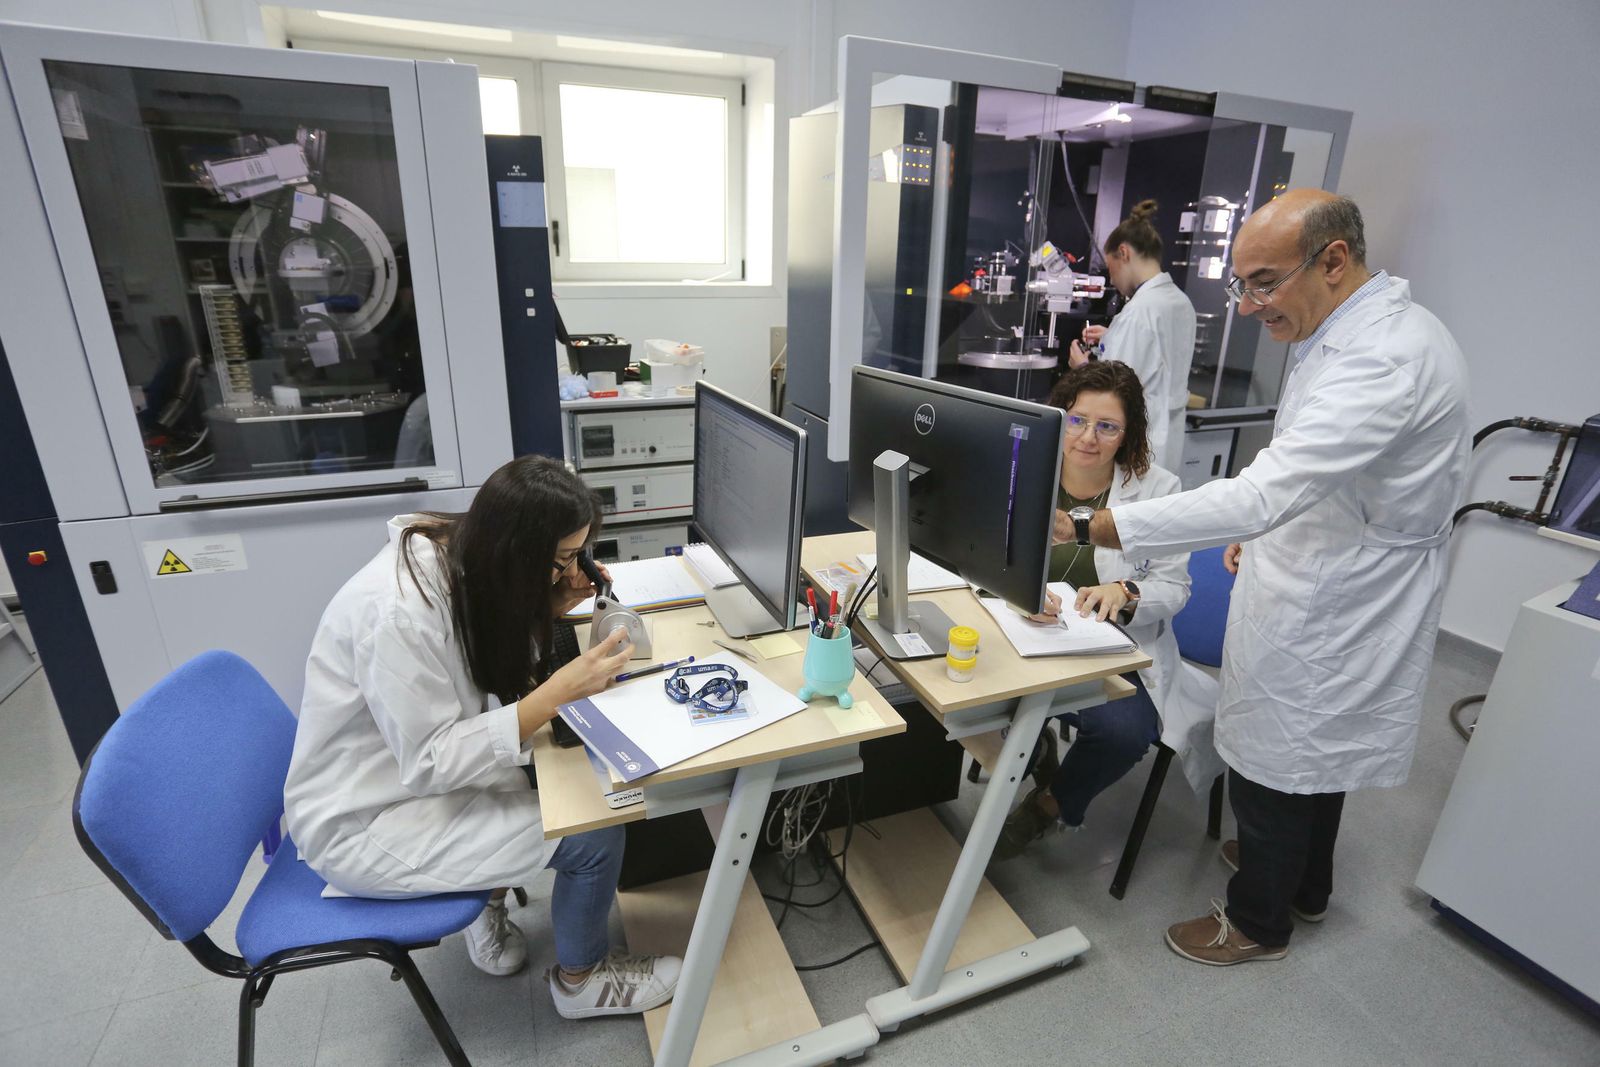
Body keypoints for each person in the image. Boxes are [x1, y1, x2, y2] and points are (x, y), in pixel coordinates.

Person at [1078, 190, 1471, 965]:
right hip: (1320, 559)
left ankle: (1258, 919)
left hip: (1342, 592)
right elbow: (1304, 465)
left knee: (1278, 752)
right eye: (1242, 283)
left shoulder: (1386, 358)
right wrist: (1259, 530)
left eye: (1263, 282)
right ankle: (1303, 881)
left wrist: (1108, 523)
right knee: (1315, 749)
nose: (1249, 304)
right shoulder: (1344, 334)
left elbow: (1266, 490)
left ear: (1334, 260)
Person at [283, 455, 682, 1018]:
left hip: (412, 775)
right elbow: (430, 762)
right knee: (593, 831)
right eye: (563, 560)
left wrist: (547, 607)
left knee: (539, 778)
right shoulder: (397, 614)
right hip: (368, 819)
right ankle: (583, 981)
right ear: (517, 552)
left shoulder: (463, 550)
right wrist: (555, 695)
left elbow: (484, 664)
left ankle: (485, 894)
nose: (573, 570)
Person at [993, 361, 1197, 858]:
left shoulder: (1158, 491)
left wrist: (1127, 592)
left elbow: (1175, 586)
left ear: (1128, 436)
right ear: (1058, 417)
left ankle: (1049, 805)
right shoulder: (1019, 469)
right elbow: (980, 555)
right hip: (1022, 631)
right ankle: (1031, 748)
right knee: (977, 697)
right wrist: (1015, 593)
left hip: (1112, 648)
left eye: (1107, 426)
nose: (1088, 437)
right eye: (1078, 420)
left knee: (1124, 733)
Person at [1069, 199, 1198, 472]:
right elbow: (1159, 355)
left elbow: (1112, 393)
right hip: (1167, 438)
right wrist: (1113, 335)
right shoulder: (1179, 301)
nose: (1112, 280)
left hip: (1140, 441)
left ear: (1124, 253)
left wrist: (1081, 368)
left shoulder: (1139, 312)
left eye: (1110, 267)